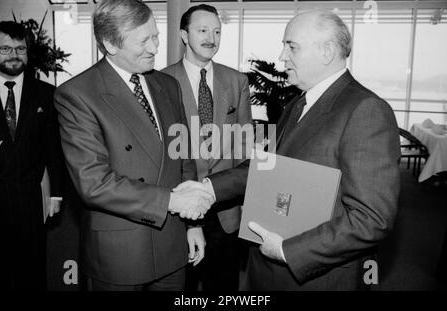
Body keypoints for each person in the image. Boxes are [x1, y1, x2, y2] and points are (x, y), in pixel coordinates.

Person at [175, 10, 401, 290]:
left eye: (291, 46)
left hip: (319, 277)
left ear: (327, 51)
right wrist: (209, 188)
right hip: (270, 270)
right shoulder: (297, 104)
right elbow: (265, 167)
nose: (282, 56)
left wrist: (287, 251)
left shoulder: (366, 111)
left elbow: (371, 220)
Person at [54, 0, 213, 291]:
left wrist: (194, 224)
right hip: (119, 255)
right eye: (144, 41)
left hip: (172, 244)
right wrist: (172, 202)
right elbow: (93, 183)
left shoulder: (167, 85)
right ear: (109, 44)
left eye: (155, 36)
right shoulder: (77, 95)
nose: (155, 48)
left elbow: (183, 160)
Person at [162, 4, 252, 291]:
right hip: (178, 210)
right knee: (181, 287)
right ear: (184, 35)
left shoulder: (237, 81)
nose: (211, 38)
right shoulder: (160, 82)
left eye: (217, 31)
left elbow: (244, 147)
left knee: (224, 287)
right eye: (202, 30)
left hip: (226, 210)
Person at [0, 21, 64, 290]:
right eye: (4, 48)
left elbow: (54, 150)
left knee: (32, 277)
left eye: (20, 48)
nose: (14, 54)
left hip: (31, 205)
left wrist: (57, 195)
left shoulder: (47, 94)